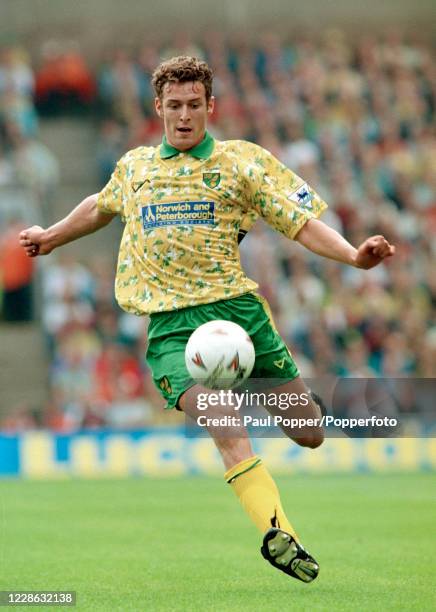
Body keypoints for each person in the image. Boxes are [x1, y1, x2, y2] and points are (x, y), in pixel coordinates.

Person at [19, 56, 395, 583]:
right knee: (224, 420)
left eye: (194, 105)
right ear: (158, 108)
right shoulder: (135, 167)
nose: (184, 115)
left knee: (308, 432)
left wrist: (355, 256)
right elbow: (101, 205)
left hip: (239, 316)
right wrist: (52, 235)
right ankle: (279, 533)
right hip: (174, 326)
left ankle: (309, 404)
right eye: (174, 106)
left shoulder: (243, 163)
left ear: (210, 106)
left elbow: (301, 223)